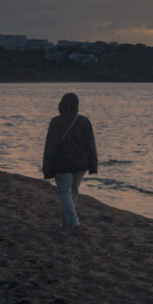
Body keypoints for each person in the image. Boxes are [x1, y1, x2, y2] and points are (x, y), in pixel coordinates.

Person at [42, 92, 98, 233]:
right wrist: (93, 164)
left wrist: (47, 167)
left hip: (62, 163)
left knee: (63, 191)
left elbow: (50, 146)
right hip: (81, 164)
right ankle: (66, 223)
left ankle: (73, 223)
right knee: (73, 192)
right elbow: (91, 145)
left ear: (61, 105)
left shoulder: (56, 122)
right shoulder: (84, 121)